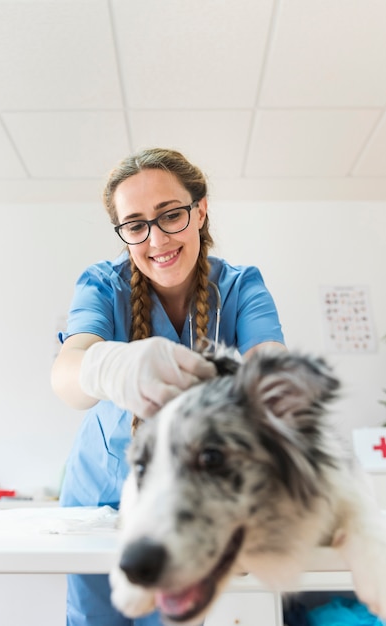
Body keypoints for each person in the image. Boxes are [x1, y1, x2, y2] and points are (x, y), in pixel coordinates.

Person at [51, 147, 286, 626]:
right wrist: (106, 367)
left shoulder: (241, 288)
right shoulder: (103, 285)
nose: (156, 239)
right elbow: (66, 374)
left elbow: (272, 375)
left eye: (170, 215)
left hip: (190, 500)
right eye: (135, 224)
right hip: (100, 495)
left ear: (200, 211)